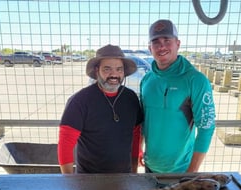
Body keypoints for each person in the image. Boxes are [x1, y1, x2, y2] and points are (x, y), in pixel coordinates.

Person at [140, 19, 216, 173]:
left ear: (178, 43)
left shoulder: (196, 80)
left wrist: (191, 172)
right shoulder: (147, 80)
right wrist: (139, 150)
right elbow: (143, 120)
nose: (161, 46)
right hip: (150, 167)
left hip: (181, 171)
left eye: (167, 40)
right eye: (156, 42)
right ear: (150, 48)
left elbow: (206, 127)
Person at [58, 44, 143, 174]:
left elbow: (136, 136)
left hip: (123, 177)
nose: (114, 75)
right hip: (88, 179)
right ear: (97, 70)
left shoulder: (131, 98)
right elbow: (65, 144)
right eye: (107, 69)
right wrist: (69, 182)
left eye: (119, 69)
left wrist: (134, 172)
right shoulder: (80, 101)